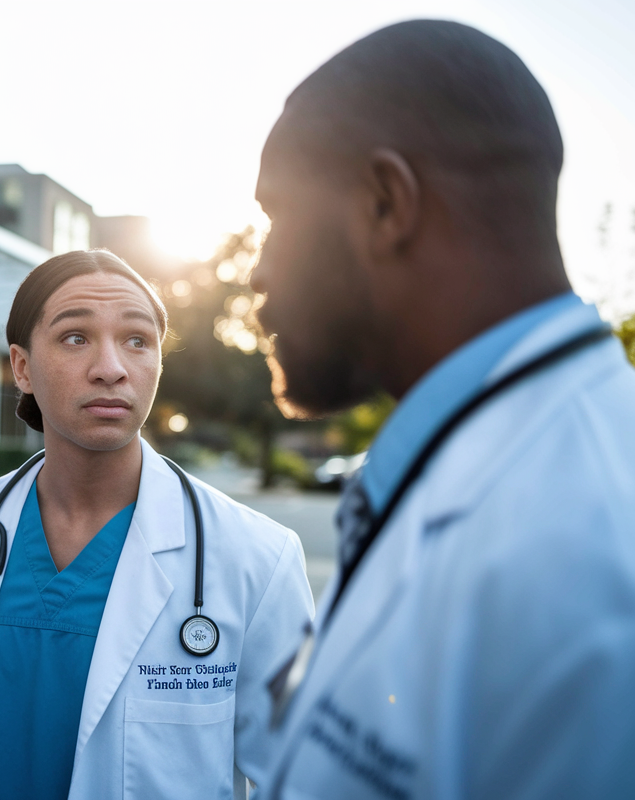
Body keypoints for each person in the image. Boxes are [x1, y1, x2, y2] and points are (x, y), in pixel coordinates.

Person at [250, 20, 635, 799]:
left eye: (276, 217)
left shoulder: (590, 560)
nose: (257, 272)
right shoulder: (467, 466)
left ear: (386, 203)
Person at [0, 249, 315, 800]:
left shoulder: (258, 556)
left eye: (137, 340)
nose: (111, 367)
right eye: (75, 338)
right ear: (21, 367)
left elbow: (303, 775)